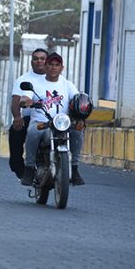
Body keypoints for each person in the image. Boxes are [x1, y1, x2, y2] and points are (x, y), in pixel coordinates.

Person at [20, 52, 85, 186]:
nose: (53, 67)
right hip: (41, 122)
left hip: (63, 123)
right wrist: (26, 101)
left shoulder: (67, 84)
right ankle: (29, 168)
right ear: (45, 66)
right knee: (33, 132)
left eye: (57, 65)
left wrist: (83, 107)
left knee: (77, 132)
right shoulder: (35, 83)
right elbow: (24, 97)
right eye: (50, 64)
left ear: (62, 68)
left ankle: (74, 168)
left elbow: (77, 98)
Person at [8, 48, 49, 179]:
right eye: (36, 59)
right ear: (31, 62)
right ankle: (21, 169)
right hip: (31, 118)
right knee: (16, 131)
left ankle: (71, 166)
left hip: (54, 119)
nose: (39, 61)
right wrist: (17, 117)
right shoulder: (24, 79)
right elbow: (16, 100)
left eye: (42, 58)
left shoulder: (58, 80)